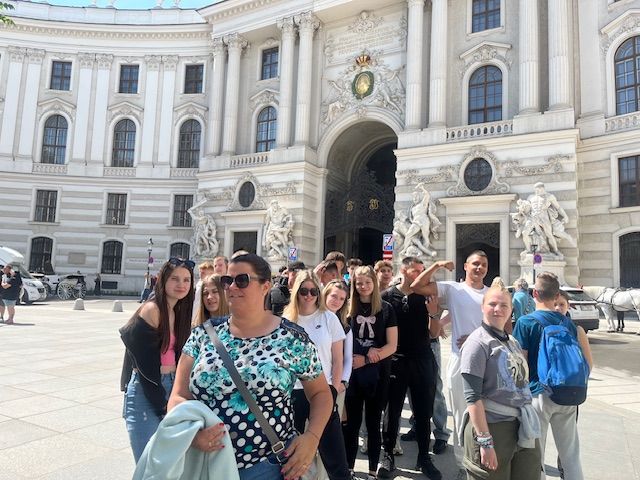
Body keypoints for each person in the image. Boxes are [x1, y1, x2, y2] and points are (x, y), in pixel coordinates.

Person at [168, 253, 333, 480]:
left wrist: (312, 437)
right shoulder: (202, 335)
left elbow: (321, 394)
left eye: (242, 280)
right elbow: (178, 396)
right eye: (227, 281)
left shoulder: (292, 338)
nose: (232, 287)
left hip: (267, 466)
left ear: (266, 286)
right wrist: (192, 435)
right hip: (204, 464)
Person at [411, 252, 490, 476]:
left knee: (487, 415)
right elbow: (417, 286)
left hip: (488, 362)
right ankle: (463, 466)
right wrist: (437, 264)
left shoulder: (491, 293)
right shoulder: (453, 289)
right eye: (475, 263)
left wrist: (476, 338)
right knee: (461, 415)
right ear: (465, 266)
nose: (479, 268)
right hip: (460, 362)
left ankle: (483, 460)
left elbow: (503, 328)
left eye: (484, 265)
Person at [460, 285, 541, 480]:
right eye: (492, 304)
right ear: (482, 307)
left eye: (504, 305)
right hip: (493, 426)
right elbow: (472, 398)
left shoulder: (512, 341)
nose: (498, 309)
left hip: (521, 425)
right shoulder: (477, 343)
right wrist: (485, 442)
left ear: (511, 310)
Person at [119, 258, 195, 462]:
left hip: (171, 384)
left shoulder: (177, 310)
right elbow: (145, 365)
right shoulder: (153, 309)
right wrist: (162, 404)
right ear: (163, 280)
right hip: (147, 390)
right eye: (175, 279)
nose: (181, 285)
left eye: (186, 280)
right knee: (149, 465)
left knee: (167, 465)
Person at [513, 272, 585, 480]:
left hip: (539, 393)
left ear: (534, 293)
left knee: (537, 455)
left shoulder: (525, 322)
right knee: (570, 455)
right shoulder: (567, 323)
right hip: (568, 392)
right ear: (556, 296)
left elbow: (520, 364)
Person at [283, 270, 350, 480]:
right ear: (296, 292)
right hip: (293, 392)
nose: (309, 295)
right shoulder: (285, 320)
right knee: (291, 454)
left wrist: (334, 389)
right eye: (304, 291)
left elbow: (338, 359)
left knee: (335, 456)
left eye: (314, 291)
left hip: (323, 391)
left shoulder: (328, 318)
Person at [380, 257, 442, 480]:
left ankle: (424, 457)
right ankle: (388, 455)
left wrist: (434, 313)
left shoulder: (427, 296)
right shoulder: (387, 296)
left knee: (424, 411)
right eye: (415, 270)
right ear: (403, 270)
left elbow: (434, 333)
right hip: (396, 360)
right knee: (392, 411)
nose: (419, 274)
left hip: (422, 359)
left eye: (421, 270)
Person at [342, 265, 397, 480]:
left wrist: (366, 358)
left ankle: (373, 470)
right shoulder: (348, 308)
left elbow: (392, 345)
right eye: (359, 283)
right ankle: (349, 468)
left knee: (373, 423)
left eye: (367, 282)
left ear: (374, 283)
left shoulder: (386, 308)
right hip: (353, 374)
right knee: (352, 424)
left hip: (378, 373)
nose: (363, 286)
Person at [553, 290, 592, 480]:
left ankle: (563, 469)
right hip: (547, 391)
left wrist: (577, 381)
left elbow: (588, 363)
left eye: (562, 304)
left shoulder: (576, 330)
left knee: (567, 440)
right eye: (555, 304)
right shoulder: (542, 326)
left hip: (570, 392)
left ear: (568, 306)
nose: (558, 308)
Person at [323, 279, 352, 422]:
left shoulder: (345, 327)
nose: (337, 301)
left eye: (342, 299)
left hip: (335, 383)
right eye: (334, 296)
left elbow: (347, 358)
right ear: (325, 295)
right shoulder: (313, 319)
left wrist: (343, 381)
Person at [192, 260, 216, 325]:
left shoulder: (211, 286)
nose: (201, 274)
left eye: (204, 273)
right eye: (200, 272)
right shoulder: (198, 285)